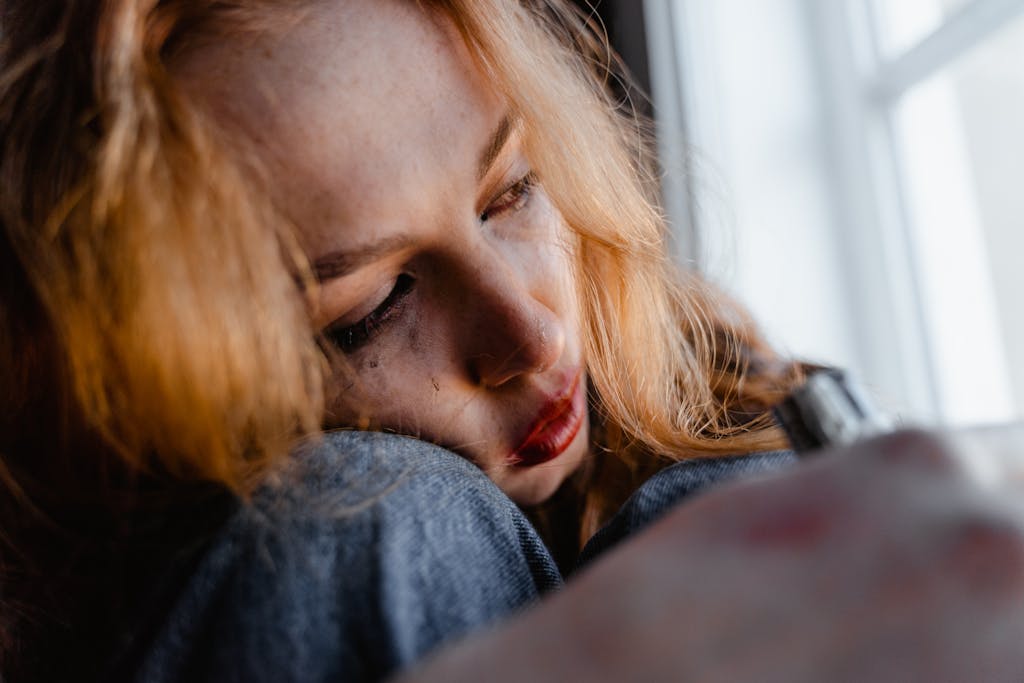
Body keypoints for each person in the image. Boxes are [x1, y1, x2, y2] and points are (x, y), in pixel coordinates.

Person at [4, 0, 1024, 681]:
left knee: (708, 499)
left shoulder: (731, 392)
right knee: (365, 514)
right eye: (370, 307)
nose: (531, 333)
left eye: (514, 190)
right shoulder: (360, 543)